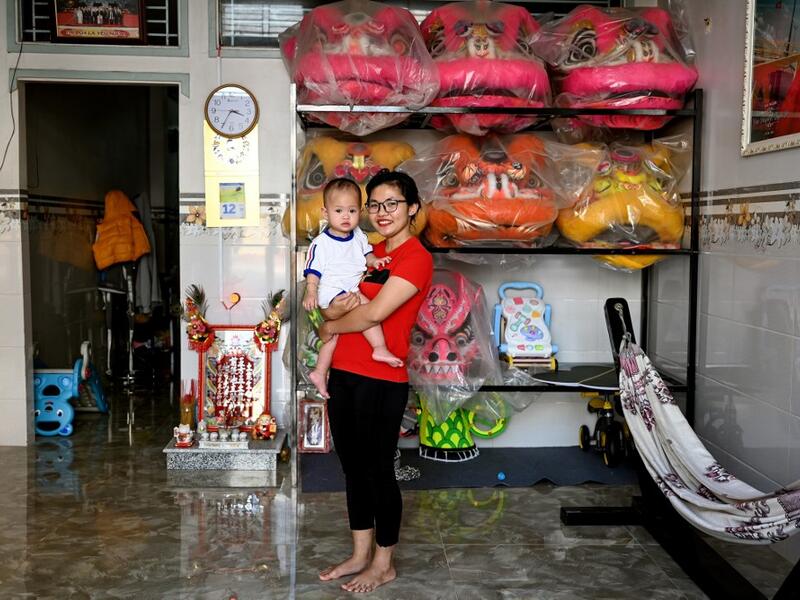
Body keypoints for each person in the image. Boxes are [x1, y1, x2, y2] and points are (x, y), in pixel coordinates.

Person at [316, 170, 433, 594]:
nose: (382, 213)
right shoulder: (366, 250)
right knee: (351, 469)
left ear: (412, 208)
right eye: (376, 205)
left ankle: (384, 563)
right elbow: (327, 306)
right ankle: (360, 554)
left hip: (382, 378)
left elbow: (373, 314)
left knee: (378, 470)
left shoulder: (415, 257)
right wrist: (329, 324)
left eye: (392, 204)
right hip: (343, 372)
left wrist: (331, 327)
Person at [303, 178, 402, 399]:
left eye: (352, 210)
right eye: (339, 210)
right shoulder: (321, 243)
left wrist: (375, 261)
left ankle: (319, 372)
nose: (346, 216)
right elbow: (313, 271)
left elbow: (366, 254)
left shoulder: (358, 235)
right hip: (331, 290)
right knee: (368, 308)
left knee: (334, 334)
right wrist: (311, 292)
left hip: (349, 288)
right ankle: (379, 347)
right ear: (326, 213)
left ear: (360, 212)